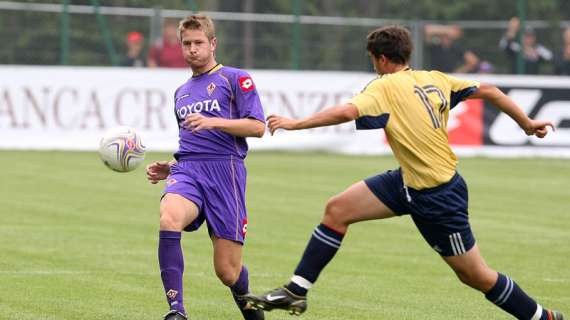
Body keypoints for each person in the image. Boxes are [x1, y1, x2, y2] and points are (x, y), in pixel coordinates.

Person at [244, 25, 564, 320]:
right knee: (337, 209)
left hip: (438, 195)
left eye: (373, 60)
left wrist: (295, 123)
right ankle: (295, 292)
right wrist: (527, 123)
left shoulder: (384, 86)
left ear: (382, 59)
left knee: (475, 275)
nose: (373, 65)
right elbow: (492, 91)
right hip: (407, 180)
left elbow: (346, 111)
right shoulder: (436, 78)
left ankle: (541, 317)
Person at [145, 15, 266, 320]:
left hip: (226, 174)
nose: (192, 49)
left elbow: (257, 127)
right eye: (187, 44)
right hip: (188, 172)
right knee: (169, 218)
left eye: (199, 43)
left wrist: (214, 121)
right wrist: (171, 166)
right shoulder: (181, 93)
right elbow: (192, 143)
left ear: (213, 44)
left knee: (227, 272)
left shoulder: (236, 78)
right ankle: (177, 311)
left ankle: (252, 310)